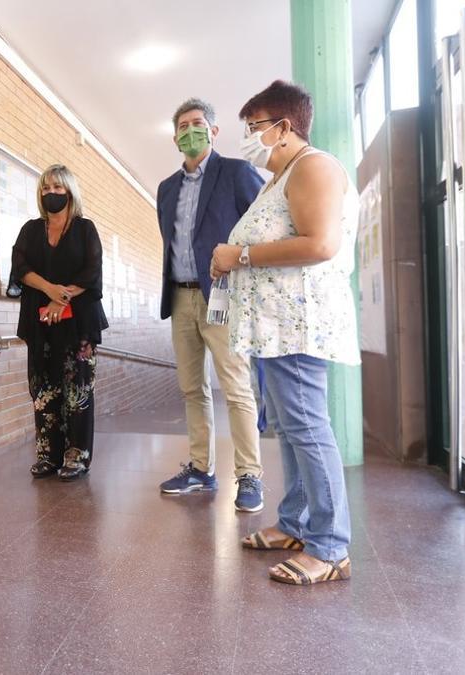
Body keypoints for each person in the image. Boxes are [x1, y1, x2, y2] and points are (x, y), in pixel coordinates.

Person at [210, 80, 360, 585]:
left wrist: (241, 255)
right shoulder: (279, 178)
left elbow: (320, 243)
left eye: (254, 127)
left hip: (298, 325)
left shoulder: (314, 166)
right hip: (273, 329)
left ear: (283, 128)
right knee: (293, 433)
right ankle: (296, 523)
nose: (249, 137)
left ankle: (331, 545)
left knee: (309, 430)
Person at [155, 98, 267, 512]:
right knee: (191, 389)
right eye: (183, 126)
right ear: (175, 137)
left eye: (198, 124)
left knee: (236, 388)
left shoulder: (235, 173)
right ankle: (201, 469)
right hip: (180, 296)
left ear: (214, 131)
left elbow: (263, 228)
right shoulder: (167, 189)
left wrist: (239, 268)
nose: (190, 131)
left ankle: (250, 475)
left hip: (222, 294)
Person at [12, 164, 107, 481]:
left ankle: (76, 455)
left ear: (70, 191)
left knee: (77, 389)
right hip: (40, 324)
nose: (51, 192)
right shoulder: (30, 229)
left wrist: (59, 298)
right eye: (45, 187)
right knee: (44, 389)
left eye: (57, 187)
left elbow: (91, 270)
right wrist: (49, 289)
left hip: (78, 323)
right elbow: (20, 266)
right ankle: (48, 455)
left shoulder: (85, 229)